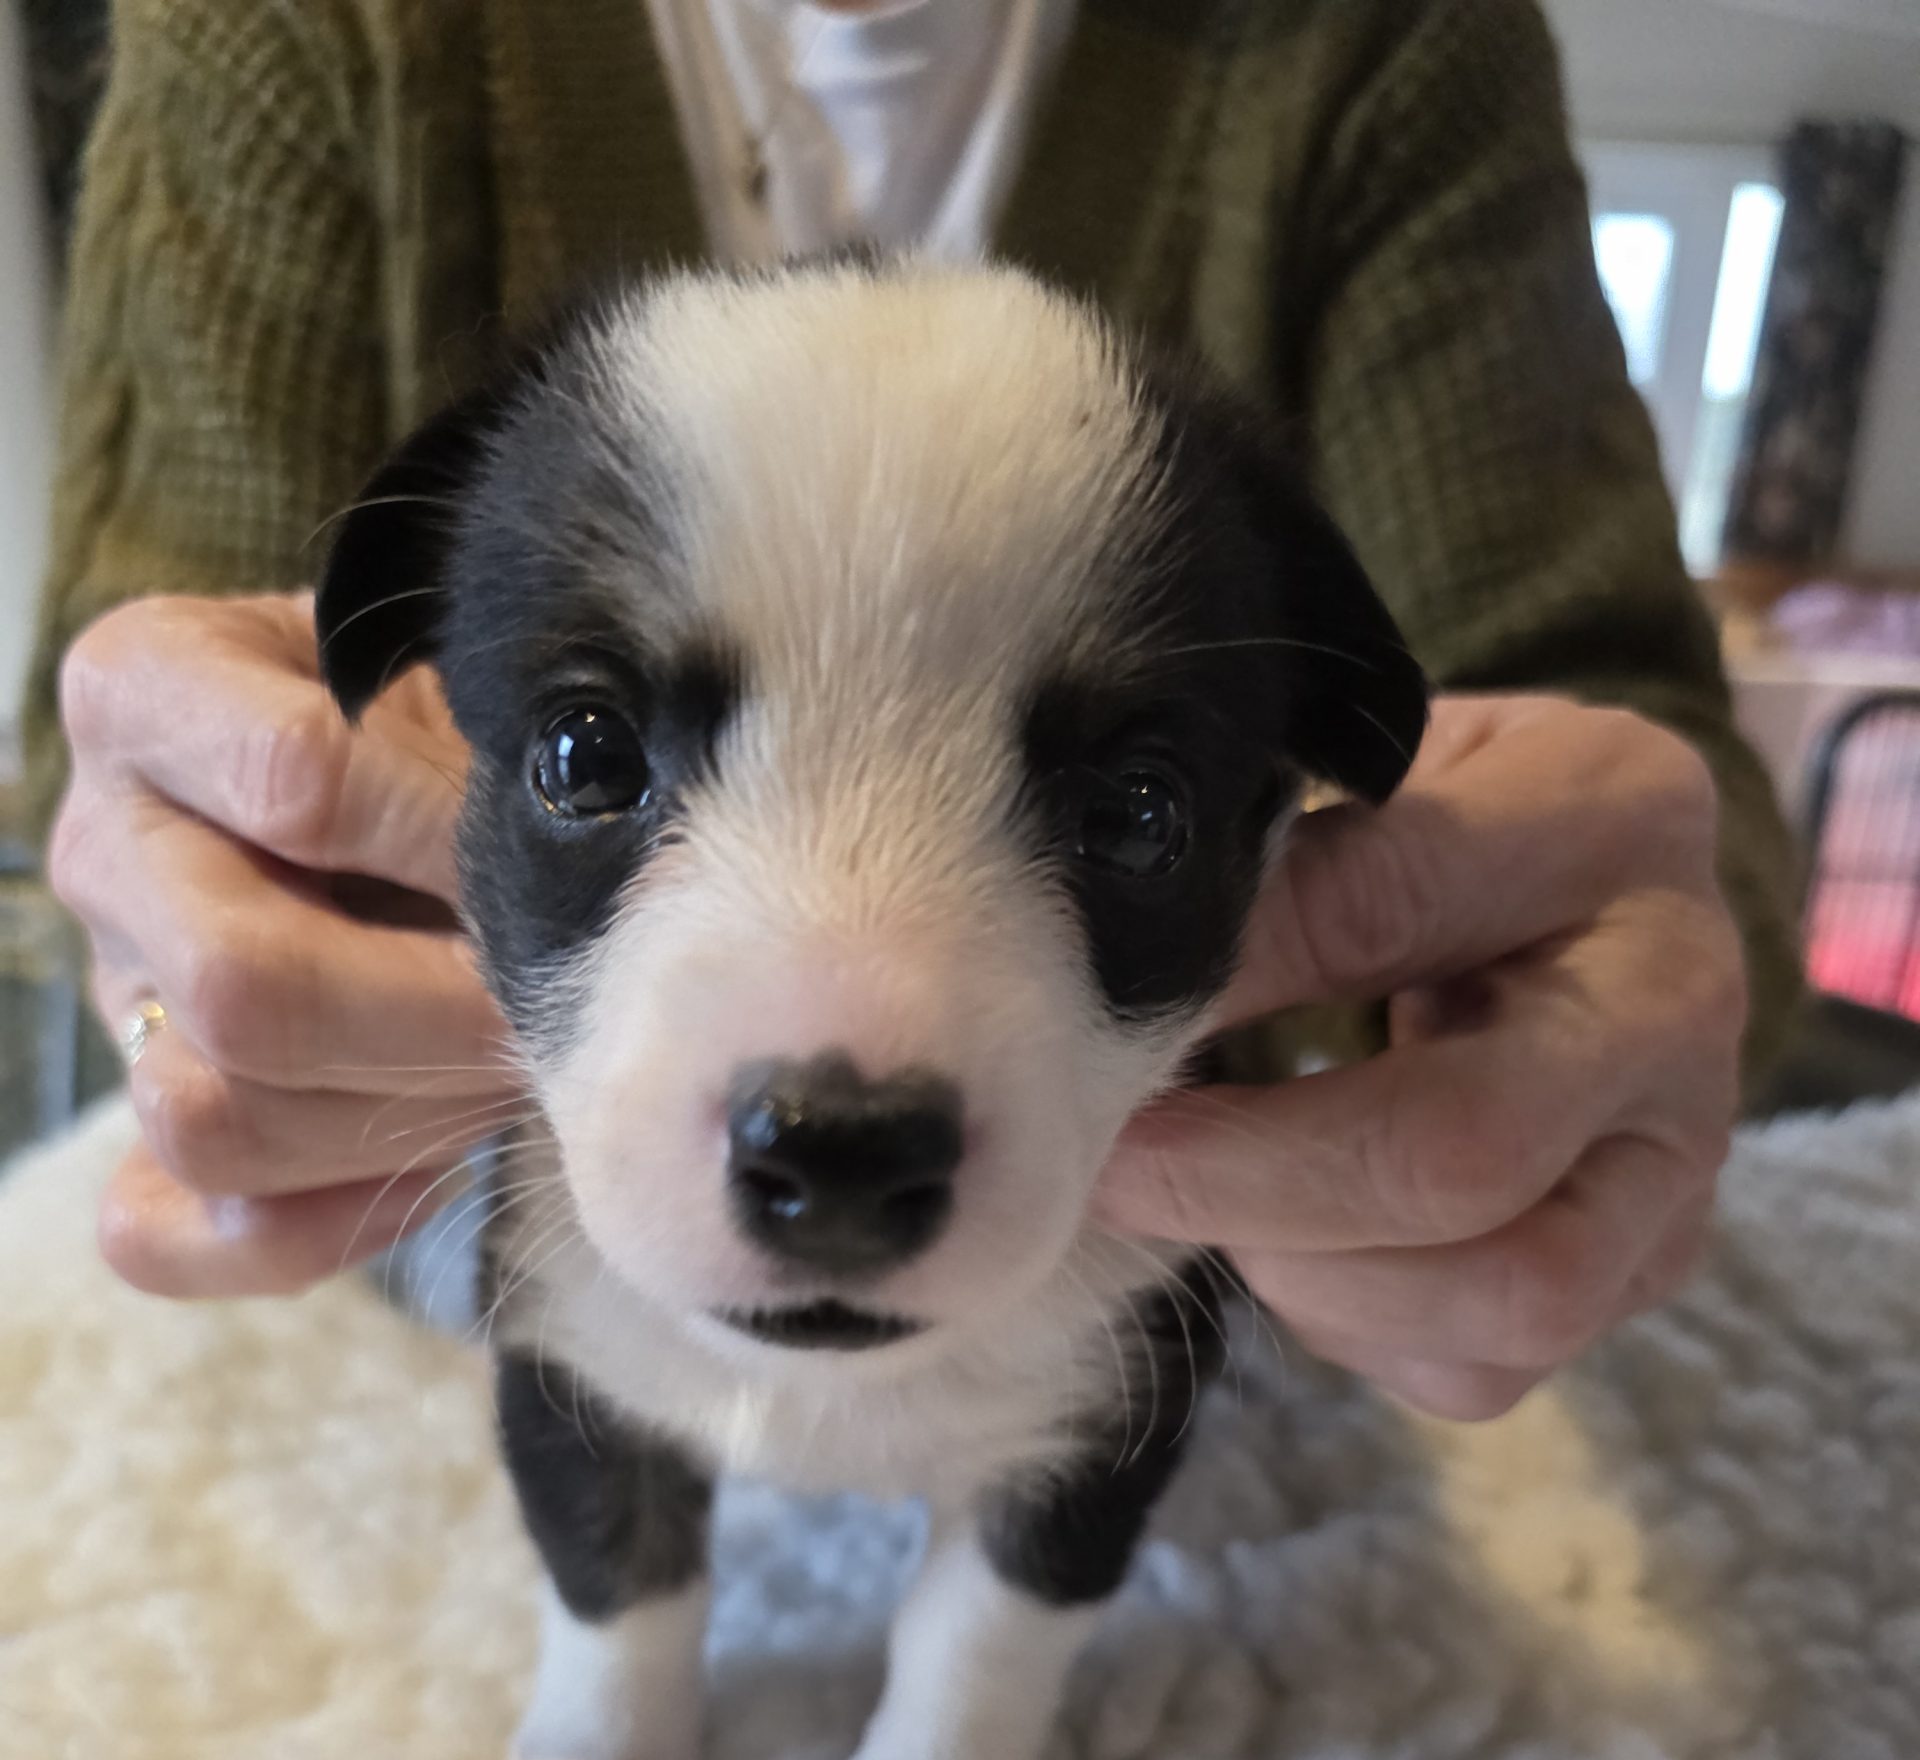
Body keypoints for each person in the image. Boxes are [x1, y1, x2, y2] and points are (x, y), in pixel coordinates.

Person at [24, 0, 1794, 1421]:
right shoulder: (289, 27)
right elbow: (141, 714)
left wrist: (1619, 963)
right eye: (587, 757)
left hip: (1199, 1332)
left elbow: (1606, 736)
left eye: (1129, 812)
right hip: (449, 1320)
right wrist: (174, 849)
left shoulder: (1387, 39)